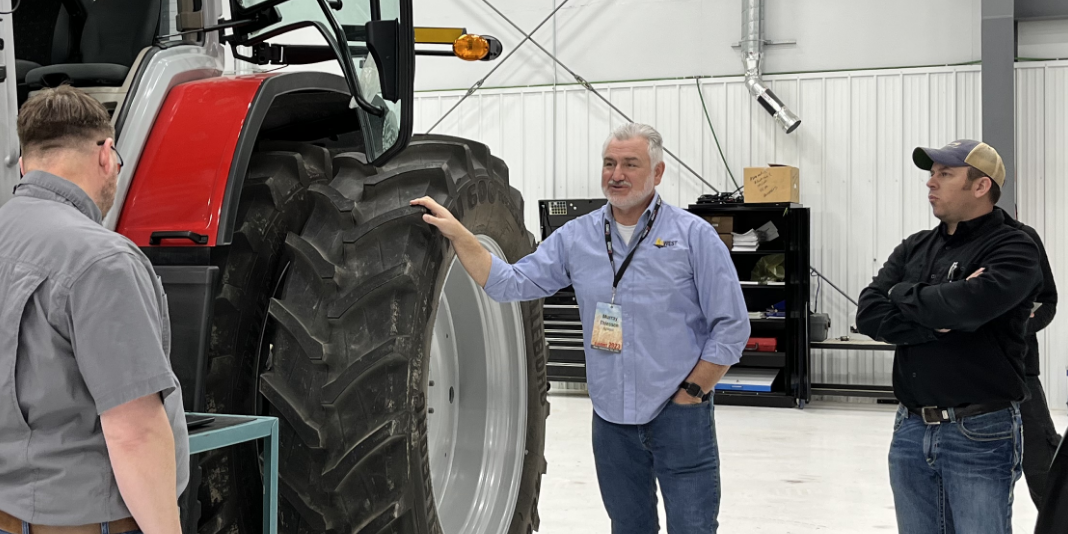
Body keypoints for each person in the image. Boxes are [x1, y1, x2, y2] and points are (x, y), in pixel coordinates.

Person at [412, 123, 749, 533]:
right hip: (611, 420)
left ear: (657, 173)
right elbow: (508, 283)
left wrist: (692, 393)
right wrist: (460, 233)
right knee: (627, 525)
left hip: (677, 414)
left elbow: (731, 327)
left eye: (630, 164)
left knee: (692, 527)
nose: (616, 174)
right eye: (609, 163)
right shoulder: (577, 237)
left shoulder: (694, 237)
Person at [0, 85, 188, 534]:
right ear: (106, 154)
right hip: (89, 522)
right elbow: (134, 431)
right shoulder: (102, 261)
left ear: (25, 165)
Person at [856, 139, 1042, 534]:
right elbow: (869, 314)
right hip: (910, 428)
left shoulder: (1014, 248)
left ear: (980, 186)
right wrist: (936, 316)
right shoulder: (914, 247)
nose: (931, 183)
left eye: (945, 174)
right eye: (931, 174)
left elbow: (967, 308)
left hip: (980, 432)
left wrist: (902, 294)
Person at [1001, 213, 1061, 509]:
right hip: (966, 379)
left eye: (944, 173)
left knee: (1042, 465)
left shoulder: (1023, 237)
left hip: (1020, 371)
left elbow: (1048, 302)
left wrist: (1013, 328)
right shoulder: (937, 244)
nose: (932, 183)